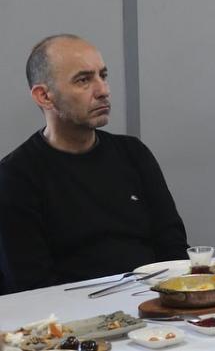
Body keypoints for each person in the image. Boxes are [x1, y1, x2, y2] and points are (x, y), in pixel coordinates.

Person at [0, 35, 188, 294]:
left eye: (103, 75)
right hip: (69, 311)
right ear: (44, 96)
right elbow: (32, 285)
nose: (103, 90)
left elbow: (173, 248)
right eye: (83, 80)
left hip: (153, 301)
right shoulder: (15, 176)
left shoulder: (133, 154)